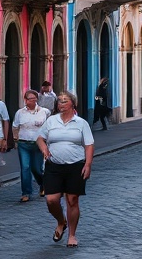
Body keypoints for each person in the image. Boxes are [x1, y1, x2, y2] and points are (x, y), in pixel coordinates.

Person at [37, 91, 94, 248]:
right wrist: (44, 150)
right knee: (51, 200)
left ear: (72, 104)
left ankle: (72, 235)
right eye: (59, 101)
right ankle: (61, 221)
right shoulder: (51, 121)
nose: (61, 104)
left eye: (64, 101)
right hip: (54, 166)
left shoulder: (81, 123)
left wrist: (88, 165)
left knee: (72, 200)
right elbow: (40, 138)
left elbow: (89, 145)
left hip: (76, 165)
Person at [12, 89, 50, 202]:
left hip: (38, 144)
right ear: (25, 100)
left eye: (33, 99)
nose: (31, 101)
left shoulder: (44, 112)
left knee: (36, 169)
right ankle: (26, 193)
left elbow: (49, 127)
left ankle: (42, 183)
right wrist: (15, 140)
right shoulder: (20, 113)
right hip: (23, 143)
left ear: (36, 100)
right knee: (25, 167)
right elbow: (15, 127)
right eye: (29, 99)